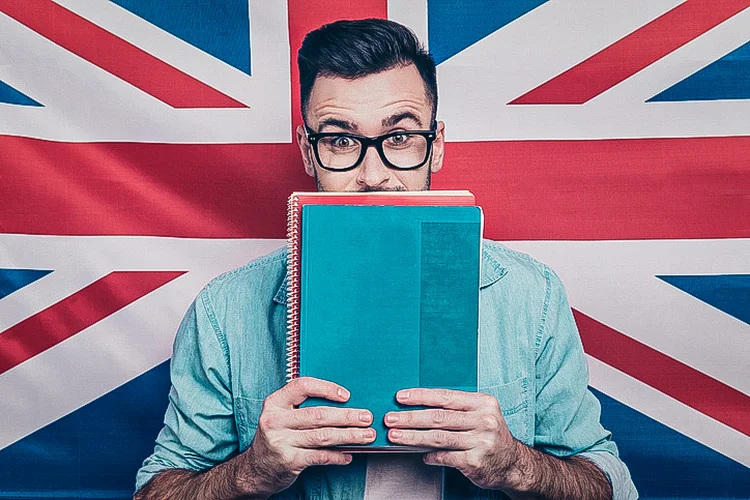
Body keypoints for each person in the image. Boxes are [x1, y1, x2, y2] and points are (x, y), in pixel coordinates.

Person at [134, 19, 637, 499]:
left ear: (436, 146)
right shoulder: (225, 310)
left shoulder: (532, 295)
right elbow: (153, 490)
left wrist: (515, 465)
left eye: (400, 137)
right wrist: (250, 472)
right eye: (339, 139)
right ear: (308, 152)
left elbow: (611, 484)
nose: (373, 174)